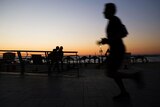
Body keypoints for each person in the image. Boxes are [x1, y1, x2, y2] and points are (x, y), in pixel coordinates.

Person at [97, 3, 143, 99]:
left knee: (110, 72)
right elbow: (116, 36)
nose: (103, 12)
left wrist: (108, 40)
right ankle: (124, 93)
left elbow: (123, 33)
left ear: (110, 11)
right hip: (115, 50)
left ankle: (134, 76)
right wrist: (106, 41)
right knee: (112, 72)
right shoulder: (111, 21)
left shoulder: (114, 19)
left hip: (118, 50)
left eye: (105, 10)